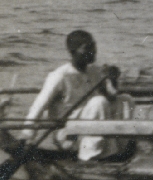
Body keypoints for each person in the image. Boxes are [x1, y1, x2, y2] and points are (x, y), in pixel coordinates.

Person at [25, 31, 132, 160]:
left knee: (125, 99)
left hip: (90, 129)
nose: (94, 50)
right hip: (68, 135)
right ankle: (89, 157)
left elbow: (111, 97)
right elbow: (38, 107)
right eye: (87, 48)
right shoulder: (60, 76)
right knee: (98, 102)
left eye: (94, 45)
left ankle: (120, 150)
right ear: (73, 51)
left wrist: (113, 79)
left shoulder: (95, 71)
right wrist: (27, 136)